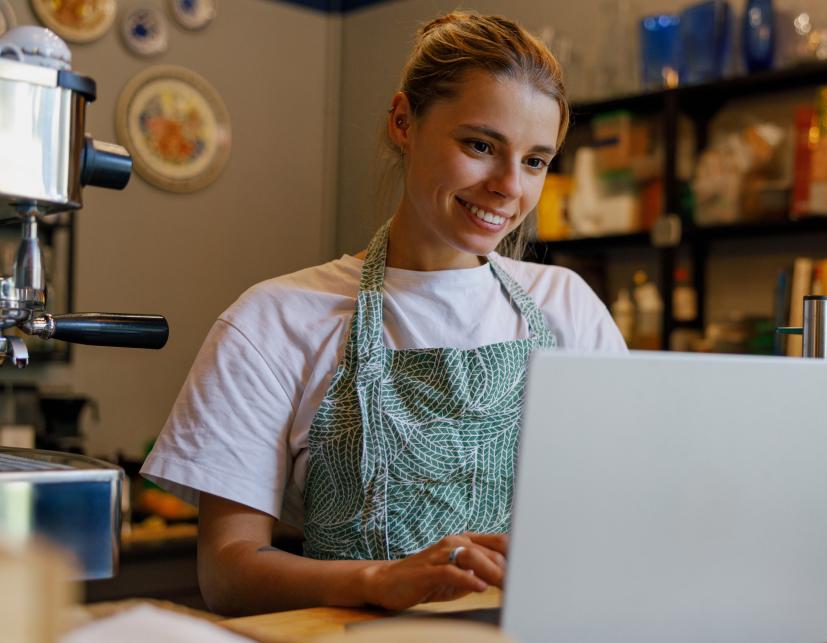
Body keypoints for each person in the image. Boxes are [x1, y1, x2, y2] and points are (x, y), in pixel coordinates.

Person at [141, 10, 626, 617]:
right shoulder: (271, 322)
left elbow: (623, 515)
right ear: (404, 121)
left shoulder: (568, 309)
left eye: (535, 160)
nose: (509, 186)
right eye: (480, 145)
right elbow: (227, 572)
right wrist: (376, 580)